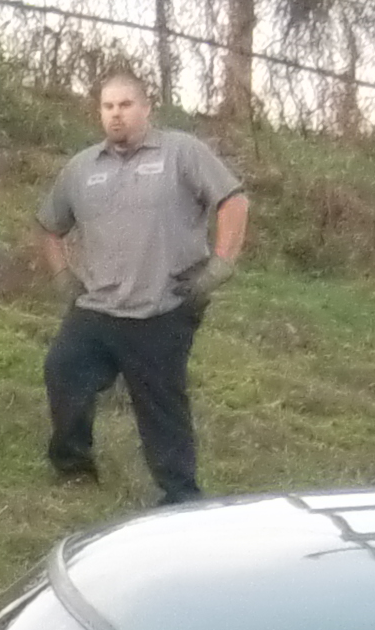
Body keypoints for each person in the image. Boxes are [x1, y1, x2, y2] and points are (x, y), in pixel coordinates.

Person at [32, 70, 248, 505]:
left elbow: (234, 200)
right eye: (108, 106)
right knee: (63, 372)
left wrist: (221, 265)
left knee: (161, 405)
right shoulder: (82, 168)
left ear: (146, 108)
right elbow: (47, 225)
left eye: (125, 105)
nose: (116, 115)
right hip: (96, 306)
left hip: (162, 308)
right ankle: (74, 467)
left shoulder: (181, 153)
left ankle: (179, 494)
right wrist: (62, 275)